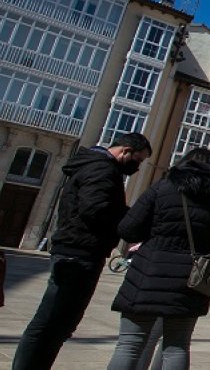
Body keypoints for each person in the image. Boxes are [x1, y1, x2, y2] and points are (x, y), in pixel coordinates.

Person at [14, 132, 152, 370]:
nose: (137, 166)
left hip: (78, 248)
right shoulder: (102, 170)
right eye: (138, 160)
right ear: (125, 151)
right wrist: (130, 220)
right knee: (52, 321)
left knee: (59, 322)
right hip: (79, 251)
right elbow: (96, 210)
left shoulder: (98, 167)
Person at [104, 146, 210, 370]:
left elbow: (128, 230)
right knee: (177, 347)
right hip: (191, 279)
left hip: (147, 273)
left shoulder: (163, 187)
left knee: (129, 346)